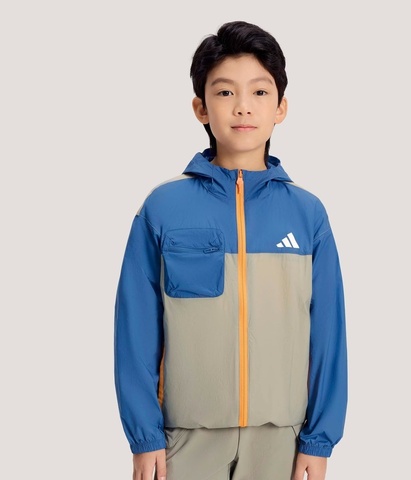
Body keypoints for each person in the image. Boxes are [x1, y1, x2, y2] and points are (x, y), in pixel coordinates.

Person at [114, 20, 348, 480]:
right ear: (201, 108)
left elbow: (329, 336)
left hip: (282, 441)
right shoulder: (162, 209)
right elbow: (135, 331)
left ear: (281, 107)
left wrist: (319, 440)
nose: (243, 106)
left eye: (259, 92)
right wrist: (144, 437)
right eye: (225, 92)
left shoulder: (307, 215)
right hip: (182, 441)